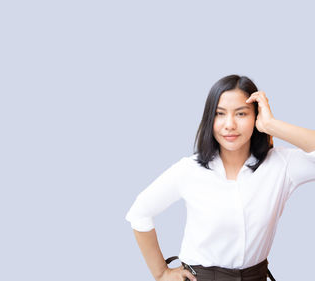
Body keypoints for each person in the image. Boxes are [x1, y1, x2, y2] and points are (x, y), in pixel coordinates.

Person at [125, 74, 315, 281]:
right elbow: (140, 212)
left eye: (241, 114)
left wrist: (272, 126)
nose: (229, 124)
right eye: (220, 114)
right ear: (209, 119)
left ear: (256, 117)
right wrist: (161, 273)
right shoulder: (189, 170)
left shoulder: (280, 165)